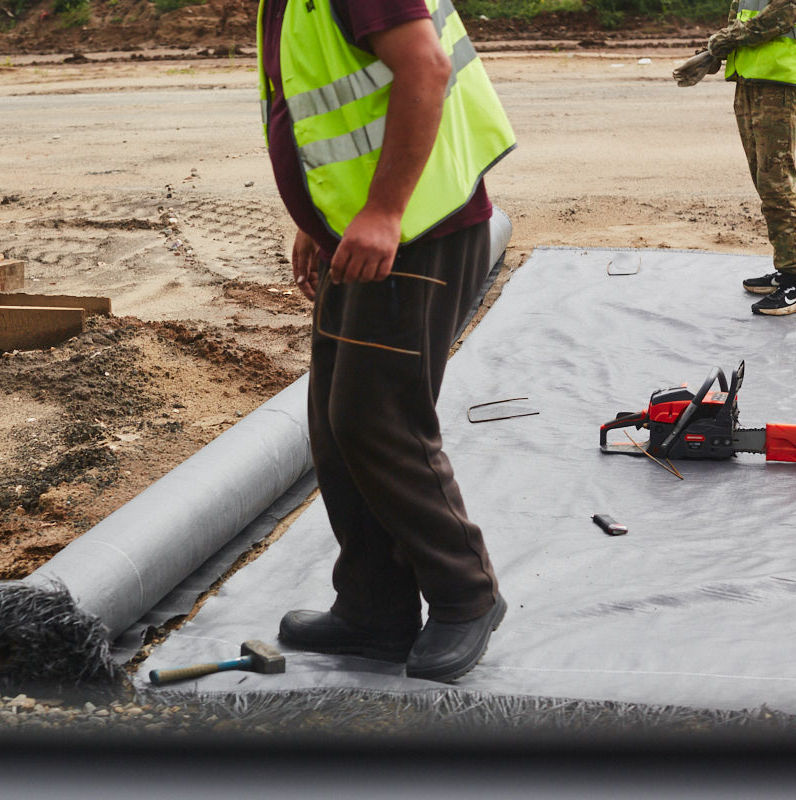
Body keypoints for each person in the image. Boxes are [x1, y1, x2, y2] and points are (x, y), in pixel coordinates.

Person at [256, 0, 516, 682]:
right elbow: (329, 111)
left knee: (379, 420)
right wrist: (322, 218)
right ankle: (374, 609)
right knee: (336, 424)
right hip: (365, 228)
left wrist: (383, 211)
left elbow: (424, 71)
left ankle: (467, 594)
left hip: (416, 229)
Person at [674, 0, 796, 316]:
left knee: (775, 180)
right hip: (749, 80)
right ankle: (790, 271)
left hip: (779, 81)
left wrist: (725, 41)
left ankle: (795, 284)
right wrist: (714, 52)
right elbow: (741, 13)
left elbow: (782, 14)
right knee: (764, 178)